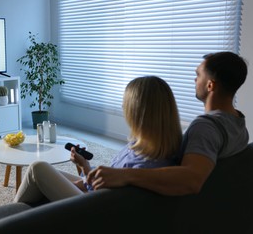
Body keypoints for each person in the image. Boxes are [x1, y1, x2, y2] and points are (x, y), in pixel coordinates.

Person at [86, 51, 249, 196]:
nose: (194, 79)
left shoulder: (205, 128)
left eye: (198, 75)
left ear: (210, 85)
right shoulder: (238, 124)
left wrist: (126, 174)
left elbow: (192, 180)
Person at [14, 76, 182, 203]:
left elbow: (102, 192)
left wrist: (86, 171)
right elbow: (103, 182)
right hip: (94, 192)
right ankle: (20, 214)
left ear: (139, 113)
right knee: (46, 176)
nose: (123, 107)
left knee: (38, 169)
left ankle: (13, 216)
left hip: (94, 207)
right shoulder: (148, 148)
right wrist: (84, 167)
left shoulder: (143, 167)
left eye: (126, 103)